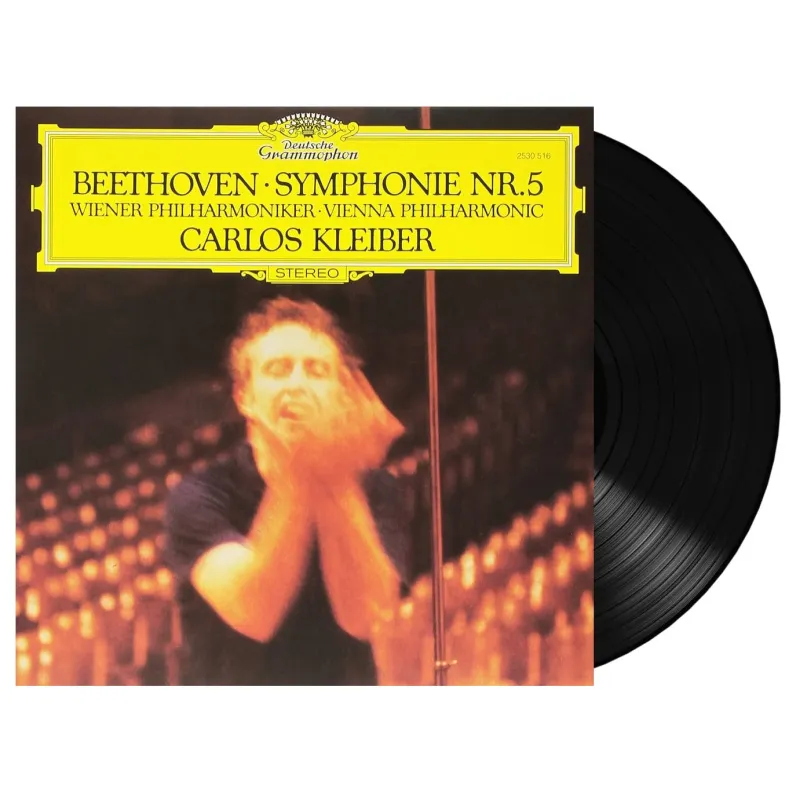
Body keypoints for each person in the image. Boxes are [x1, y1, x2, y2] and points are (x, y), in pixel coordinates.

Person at [164, 296, 409, 685]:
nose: (297, 384)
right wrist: (312, 464)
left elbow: (367, 616)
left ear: (341, 393)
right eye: (278, 370)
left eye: (316, 371)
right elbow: (255, 612)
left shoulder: (379, 489)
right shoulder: (199, 494)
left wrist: (338, 480)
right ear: (244, 397)